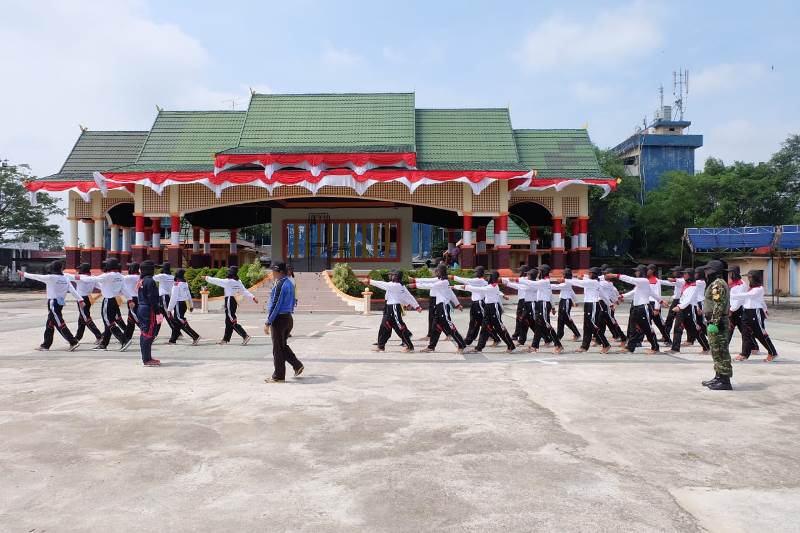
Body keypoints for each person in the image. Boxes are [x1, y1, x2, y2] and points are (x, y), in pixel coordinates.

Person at [19, 260, 81, 352]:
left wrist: (24, 274)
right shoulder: (65, 278)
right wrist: (80, 299)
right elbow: (72, 290)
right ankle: (45, 345)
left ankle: (73, 341)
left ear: (52, 268)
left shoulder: (51, 278)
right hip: (60, 302)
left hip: (53, 302)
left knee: (59, 323)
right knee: (50, 324)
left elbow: (37, 277)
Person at [77, 258, 135, 351]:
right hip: (115, 300)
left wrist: (79, 277)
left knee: (108, 321)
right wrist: (130, 300)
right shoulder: (120, 276)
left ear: (109, 266)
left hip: (108, 301)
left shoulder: (108, 275)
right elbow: (124, 289)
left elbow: (94, 279)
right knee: (107, 323)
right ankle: (104, 344)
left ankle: (124, 340)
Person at [409, 266, 467, 353]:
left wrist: (414, 285)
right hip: (439, 307)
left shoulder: (443, 282)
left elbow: (430, 285)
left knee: (449, 326)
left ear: (441, 272)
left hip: (443, 306)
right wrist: (457, 304)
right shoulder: (441, 282)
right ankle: (431, 347)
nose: (436, 272)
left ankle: (461, 345)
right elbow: (451, 294)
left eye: (437, 271)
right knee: (435, 328)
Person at [610, 266, 667, 354]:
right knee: (633, 328)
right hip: (636, 308)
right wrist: (622, 296)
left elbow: (630, 279)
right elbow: (641, 292)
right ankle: (630, 348)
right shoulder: (642, 284)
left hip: (643, 308)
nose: (635, 273)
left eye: (637, 271)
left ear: (641, 272)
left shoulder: (643, 280)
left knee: (647, 328)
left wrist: (616, 275)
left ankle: (655, 347)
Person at [455, 271, 516, 353]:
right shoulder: (490, 285)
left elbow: (479, 289)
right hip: (487, 308)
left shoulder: (492, 286)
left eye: (490, 276)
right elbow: (493, 291)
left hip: (494, 308)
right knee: (485, 328)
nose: (488, 278)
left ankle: (511, 346)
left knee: (500, 328)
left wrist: (464, 287)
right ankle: (479, 348)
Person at [264, 262, 304, 382]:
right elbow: (292, 301)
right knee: (282, 346)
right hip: (287, 318)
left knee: (277, 349)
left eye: (273, 271)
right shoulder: (289, 283)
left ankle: (279, 376)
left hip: (279, 319)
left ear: (279, 272)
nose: (272, 273)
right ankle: (297, 365)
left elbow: (276, 304)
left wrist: (268, 322)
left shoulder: (282, 284)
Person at [699, 260, 733, 390]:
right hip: (716, 321)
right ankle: (718, 377)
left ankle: (724, 381)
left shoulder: (717, 284)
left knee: (720, 350)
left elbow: (718, 305)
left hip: (718, 323)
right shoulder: (717, 283)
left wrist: (714, 322)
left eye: (707, 270)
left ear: (713, 271)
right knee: (716, 350)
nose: (706, 272)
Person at [204, 266, 259, 345]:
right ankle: (225, 339)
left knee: (231, 320)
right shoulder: (238, 281)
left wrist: (206, 278)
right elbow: (244, 291)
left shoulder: (228, 281)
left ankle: (245, 335)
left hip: (229, 300)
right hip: (234, 301)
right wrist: (253, 297)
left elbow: (216, 281)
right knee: (228, 321)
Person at [369, 270, 421, 352]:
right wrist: (409, 304)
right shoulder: (396, 285)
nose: (389, 276)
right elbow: (403, 296)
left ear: (396, 276)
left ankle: (410, 346)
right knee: (384, 326)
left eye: (391, 275)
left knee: (400, 327)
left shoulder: (395, 285)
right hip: (389, 308)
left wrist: (369, 281)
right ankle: (381, 346)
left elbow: (382, 284)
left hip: (394, 308)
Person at [733, 270, 778, 362]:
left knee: (760, 334)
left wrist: (732, 295)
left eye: (750, 277)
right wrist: (765, 308)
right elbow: (761, 300)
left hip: (755, 312)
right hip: (746, 312)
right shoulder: (750, 288)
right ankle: (744, 354)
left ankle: (772, 353)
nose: (748, 279)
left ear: (755, 278)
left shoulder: (759, 289)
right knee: (745, 333)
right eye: (748, 277)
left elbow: (748, 296)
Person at [566, 267, 611, 353]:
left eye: (590, 273)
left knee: (592, 325)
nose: (589, 274)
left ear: (594, 274)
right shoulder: (595, 282)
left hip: (593, 304)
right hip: (588, 304)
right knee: (586, 326)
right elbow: (603, 294)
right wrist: (610, 304)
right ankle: (584, 347)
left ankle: (606, 344)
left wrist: (566, 280)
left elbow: (579, 282)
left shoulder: (592, 282)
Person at [454, 266, 501, 346]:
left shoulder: (479, 281)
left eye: (476, 272)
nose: (474, 273)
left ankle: (496, 338)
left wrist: (452, 277)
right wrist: (454, 286)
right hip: (475, 304)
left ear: (479, 273)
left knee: (483, 323)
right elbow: (468, 287)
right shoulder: (481, 282)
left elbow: (465, 281)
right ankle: (469, 340)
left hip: (479, 304)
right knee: (474, 323)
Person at [668, 268, 710, 354]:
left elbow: (689, 299)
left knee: (695, 329)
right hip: (683, 308)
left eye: (686, 274)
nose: (684, 275)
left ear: (690, 275)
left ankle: (706, 347)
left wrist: (679, 307)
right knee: (678, 327)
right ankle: (675, 348)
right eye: (683, 274)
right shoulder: (687, 284)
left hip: (688, 309)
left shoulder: (694, 285)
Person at [728, 265, 761, 359]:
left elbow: (739, 300)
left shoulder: (741, 284)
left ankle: (753, 347)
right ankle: (754, 347)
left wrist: (731, 309)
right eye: (729, 272)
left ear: (736, 273)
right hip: (733, 308)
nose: (730, 274)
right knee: (732, 329)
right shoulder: (732, 283)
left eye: (731, 272)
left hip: (738, 309)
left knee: (744, 330)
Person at [68, 262, 102, 343]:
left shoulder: (80, 277)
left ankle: (99, 336)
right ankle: (77, 337)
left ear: (82, 270)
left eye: (80, 269)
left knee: (86, 318)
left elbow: (68, 276)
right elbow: (101, 287)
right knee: (81, 318)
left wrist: (59, 273)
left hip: (81, 300)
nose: (78, 270)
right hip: (88, 299)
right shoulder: (92, 278)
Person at [135, 260, 161, 366]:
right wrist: (157, 311)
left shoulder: (141, 281)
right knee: (148, 333)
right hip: (148, 309)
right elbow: (153, 298)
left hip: (141, 307)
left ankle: (147, 357)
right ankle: (146, 360)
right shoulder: (150, 281)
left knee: (144, 332)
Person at [166, 269, 201, 345]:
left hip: (179, 304)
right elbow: (189, 295)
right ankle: (172, 340)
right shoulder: (185, 283)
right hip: (184, 304)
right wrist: (191, 305)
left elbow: (173, 298)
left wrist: (169, 310)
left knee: (180, 321)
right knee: (176, 323)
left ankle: (195, 336)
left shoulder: (176, 284)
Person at [598, 268, 627, 344]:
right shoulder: (608, 284)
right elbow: (612, 294)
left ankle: (623, 337)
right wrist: (616, 300)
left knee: (611, 322)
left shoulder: (605, 283)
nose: (604, 275)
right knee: (602, 322)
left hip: (605, 304)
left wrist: (615, 301)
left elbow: (612, 293)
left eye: (606, 274)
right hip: (603, 304)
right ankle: (599, 340)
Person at [647, 264, 674, 344]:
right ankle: (639, 340)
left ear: (652, 270)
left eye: (648, 269)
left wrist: (657, 308)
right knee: (645, 323)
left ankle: (668, 340)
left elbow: (657, 295)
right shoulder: (645, 280)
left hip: (654, 305)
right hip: (647, 304)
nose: (646, 271)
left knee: (660, 325)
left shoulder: (656, 281)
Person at [153, 262, 181, 340]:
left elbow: (152, 277)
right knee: (160, 316)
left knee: (168, 316)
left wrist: (154, 269)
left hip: (163, 297)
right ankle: (155, 334)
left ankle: (176, 331)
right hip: (167, 296)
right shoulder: (172, 277)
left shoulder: (162, 276)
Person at [552, 268, 581, 341]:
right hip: (563, 301)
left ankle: (576, 334)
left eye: (563, 274)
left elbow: (557, 287)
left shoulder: (566, 283)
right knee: (561, 319)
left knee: (566, 318)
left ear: (566, 275)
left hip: (566, 301)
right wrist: (576, 301)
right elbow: (572, 292)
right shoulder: (567, 282)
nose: (562, 275)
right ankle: (559, 335)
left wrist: (546, 285)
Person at [662, 266, 685, 337]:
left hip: (679, 300)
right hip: (676, 300)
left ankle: (665, 335)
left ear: (679, 272)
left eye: (675, 271)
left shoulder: (682, 280)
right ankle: (665, 335)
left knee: (674, 318)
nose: (673, 272)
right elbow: (669, 282)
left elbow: (671, 280)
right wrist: (658, 281)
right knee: (670, 318)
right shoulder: (679, 280)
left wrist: (669, 279)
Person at [510, 265, 531, 342]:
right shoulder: (528, 279)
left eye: (520, 271)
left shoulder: (522, 279)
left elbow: (514, 283)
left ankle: (517, 334)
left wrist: (506, 282)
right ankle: (517, 334)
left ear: (523, 272)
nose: (519, 272)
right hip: (524, 300)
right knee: (523, 318)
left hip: (523, 301)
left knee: (520, 318)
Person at [122, 262, 141, 341]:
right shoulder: (140, 276)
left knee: (134, 317)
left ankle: (148, 332)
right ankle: (126, 337)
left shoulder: (130, 277)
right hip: (138, 299)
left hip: (132, 299)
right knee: (130, 320)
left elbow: (120, 278)